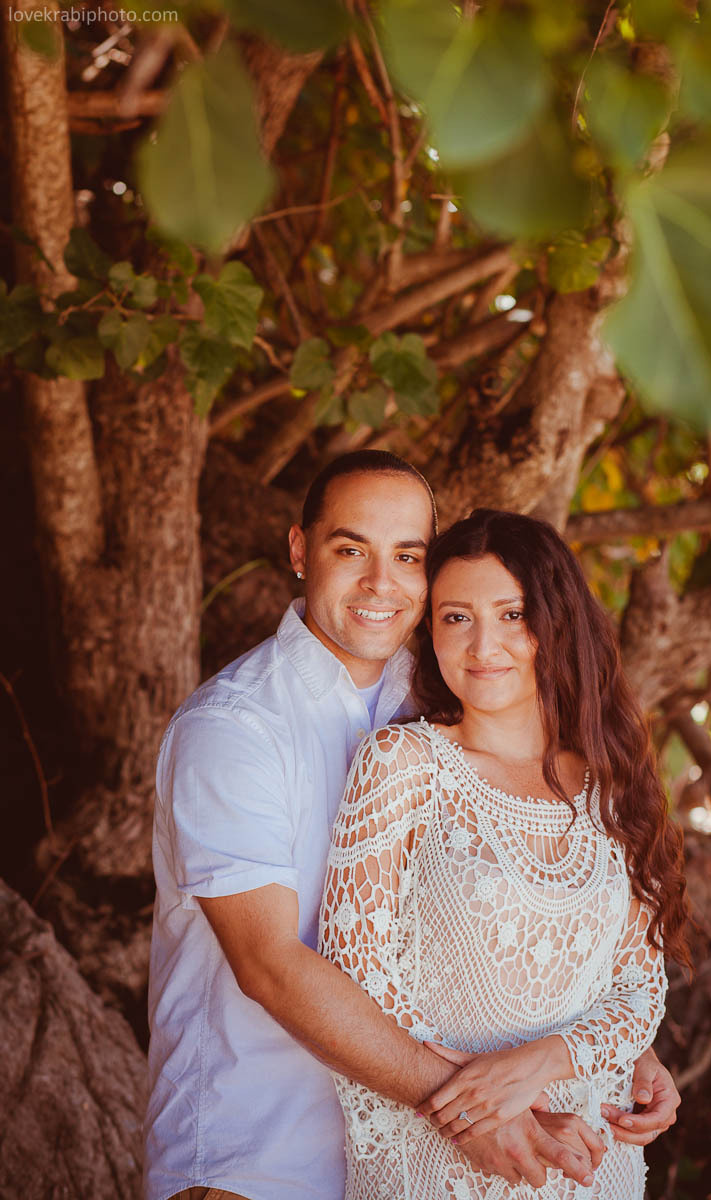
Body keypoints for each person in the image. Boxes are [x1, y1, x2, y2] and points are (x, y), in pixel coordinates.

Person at [144, 453, 681, 1200]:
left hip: (410, 1160)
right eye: (350, 549)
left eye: (408, 556)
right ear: (300, 551)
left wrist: (608, 1052)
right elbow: (270, 966)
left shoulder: (433, 699)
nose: (380, 582)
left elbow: (514, 932)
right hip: (259, 1157)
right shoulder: (235, 728)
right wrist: (479, 1109)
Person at [319, 508, 690, 1199]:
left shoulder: (613, 784)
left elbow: (637, 987)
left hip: (590, 1157)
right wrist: (493, 1103)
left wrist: (552, 1064)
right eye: (456, 617)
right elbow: (358, 982)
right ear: (429, 633)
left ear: (556, 624)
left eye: (511, 614)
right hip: (441, 1156)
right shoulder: (404, 765)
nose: (482, 644)